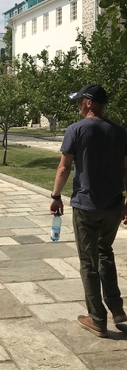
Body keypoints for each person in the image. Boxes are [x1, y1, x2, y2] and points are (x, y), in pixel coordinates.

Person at [50, 83, 127, 338]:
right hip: (114, 205)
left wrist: (56, 196)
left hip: (86, 206)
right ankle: (117, 309)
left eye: (80, 101)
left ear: (90, 103)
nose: (78, 106)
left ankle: (97, 319)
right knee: (105, 252)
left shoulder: (76, 130)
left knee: (88, 262)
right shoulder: (119, 132)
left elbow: (63, 168)